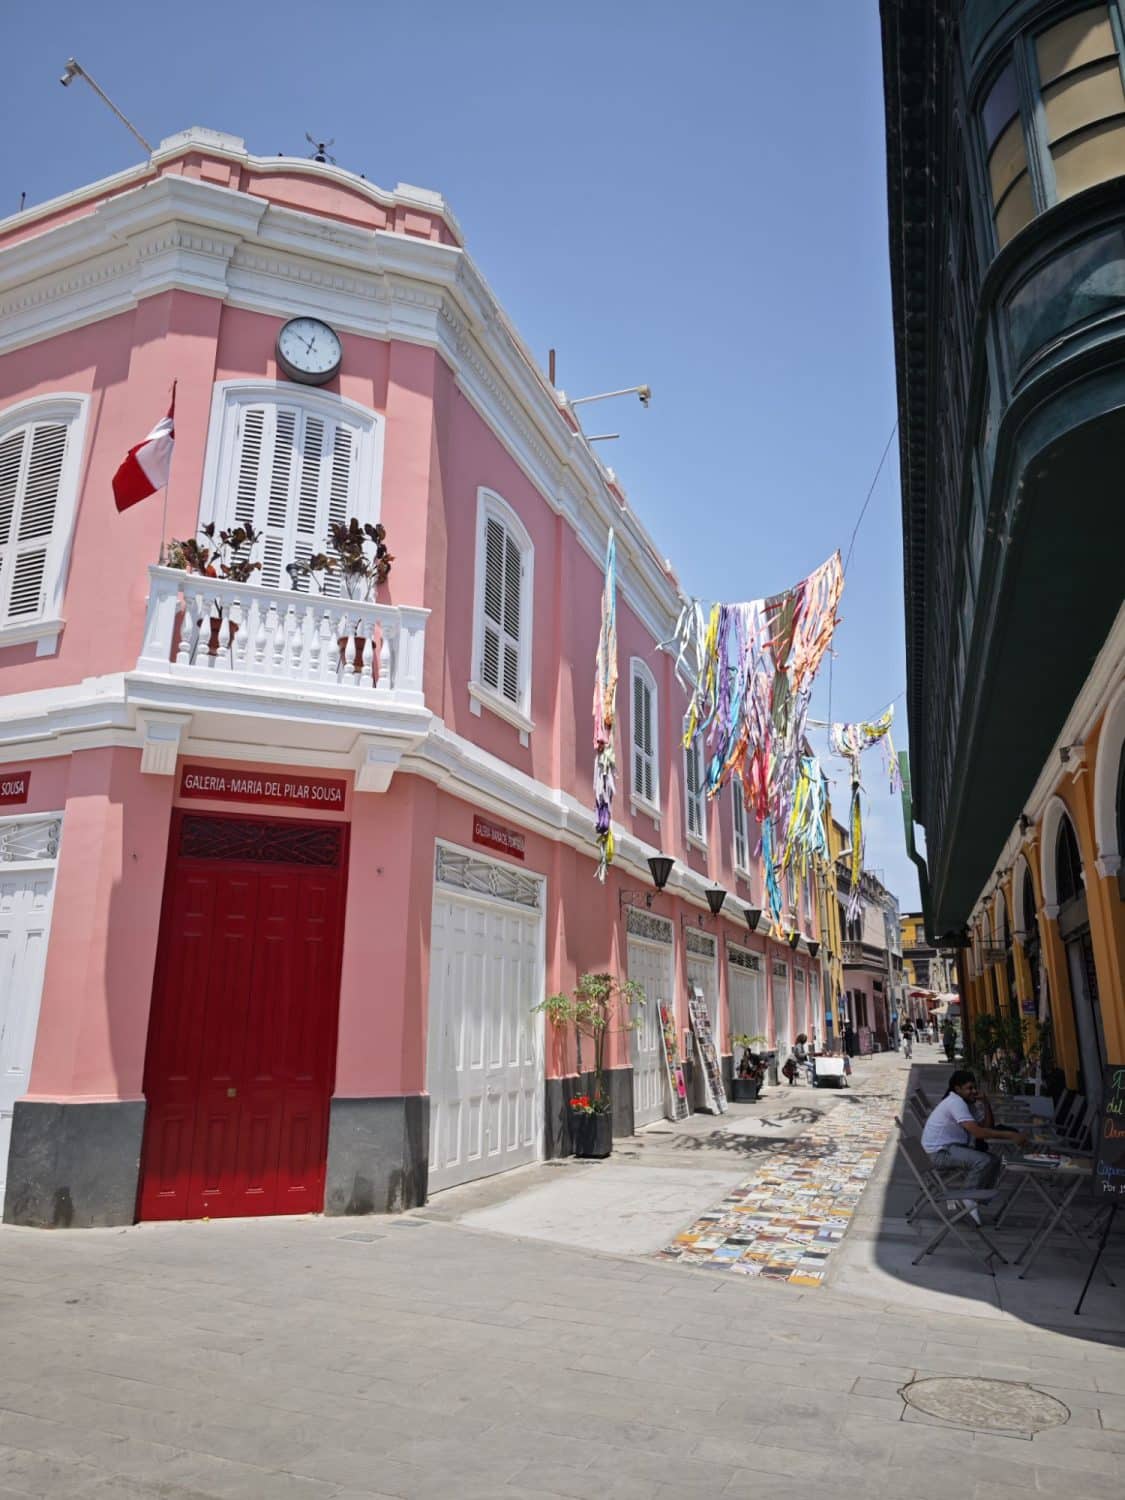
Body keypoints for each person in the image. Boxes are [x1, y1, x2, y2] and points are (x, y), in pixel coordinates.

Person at [921, 1069, 1029, 1191]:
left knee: (994, 1161)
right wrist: (1011, 1135)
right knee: (983, 1161)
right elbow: (978, 1132)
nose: (974, 1091)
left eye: (975, 1088)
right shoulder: (955, 1102)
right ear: (958, 1089)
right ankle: (968, 1200)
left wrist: (986, 1103)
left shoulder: (967, 1103)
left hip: (949, 1149)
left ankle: (975, 1201)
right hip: (938, 1153)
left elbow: (986, 1127)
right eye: (969, 1088)